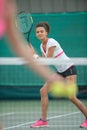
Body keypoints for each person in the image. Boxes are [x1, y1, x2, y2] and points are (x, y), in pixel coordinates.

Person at [30, 22, 87, 128]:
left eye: (41, 31)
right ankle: (43, 120)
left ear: (46, 32)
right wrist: (34, 57)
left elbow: (48, 60)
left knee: (71, 97)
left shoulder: (51, 42)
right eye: (37, 32)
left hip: (69, 69)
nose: (39, 33)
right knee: (43, 91)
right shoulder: (42, 46)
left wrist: (34, 56)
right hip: (60, 72)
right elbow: (44, 63)